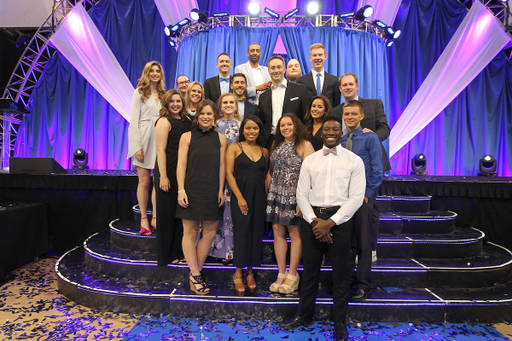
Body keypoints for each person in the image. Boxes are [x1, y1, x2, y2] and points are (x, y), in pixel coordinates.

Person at [280, 116, 365, 341]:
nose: (330, 132)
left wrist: (331, 222)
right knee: (309, 273)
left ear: (341, 131)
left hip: (341, 221)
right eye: (326, 129)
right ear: (321, 132)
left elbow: (356, 198)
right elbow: (301, 194)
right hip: (313, 221)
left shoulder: (354, 161)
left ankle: (340, 323)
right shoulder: (311, 160)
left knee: (341, 275)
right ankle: (304, 316)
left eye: (334, 129)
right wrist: (315, 221)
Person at [333, 72, 391, 261]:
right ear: (340, 89)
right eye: (344, 85)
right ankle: (350, 249)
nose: (348, 87)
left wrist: (370, 136)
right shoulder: (335, 110)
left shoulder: (374, 104)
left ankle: (370, 249)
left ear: (357, 86)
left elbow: (385, 128)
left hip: (368, 166)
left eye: (351, 84)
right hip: (343, 170)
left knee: (369, 210)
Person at [176, 100, 228, 295]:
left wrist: (220, 190)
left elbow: (222, 165)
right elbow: (181, 165)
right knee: (189, 232)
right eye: (202, 114)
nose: (206, 117)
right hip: (191, 189)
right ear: (197, 116)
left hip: (212, 190)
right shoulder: (186, 137)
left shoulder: (221, 139)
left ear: (215, 118)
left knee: (209, 233)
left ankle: (193, 272)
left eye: (210, 114)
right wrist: (181, 190)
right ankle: (196, 275)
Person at [266, 114, 315, 294]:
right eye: (282, 125)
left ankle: (293, 275)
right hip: (276, 194)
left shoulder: (305, 145)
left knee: (295, 235)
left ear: (297, 126)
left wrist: (303, 201)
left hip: (295, 196)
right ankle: (281, 273)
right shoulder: (276, 144)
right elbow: (271, 170)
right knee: (278, 233)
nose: (285, 127)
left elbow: (310, 174)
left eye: (289, 124)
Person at [340, 100, 383, 300]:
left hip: (363, 198)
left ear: (361, 116)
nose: (349, 117)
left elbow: (377, 169)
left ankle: (363, 284)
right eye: (346, 114)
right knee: (347, 242)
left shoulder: (370, 138)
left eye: (353, 114)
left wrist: (366, 193)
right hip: (344, 199)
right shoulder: (341, 140)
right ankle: (347, 281)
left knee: (364, 244)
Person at [226, 115, 269, 296]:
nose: (252, 131)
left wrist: (267, 198)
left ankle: (250, 273)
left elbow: (265, 176)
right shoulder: (234, 147)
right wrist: (240, 198)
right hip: (240, 195)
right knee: (242, 233)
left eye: (255, 128)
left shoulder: (264, 151)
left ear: (259, 131)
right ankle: (238, 273)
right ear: (242, 130)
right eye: (248, 128)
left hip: (259, 196)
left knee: (255, 234)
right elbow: (229, 173)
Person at [154, 89, 192, 266]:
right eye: (172, 101)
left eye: (179, 101)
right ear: (166, 103)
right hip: (167, 169)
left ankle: (179, 251)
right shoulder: (163, 121)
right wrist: (163, 176)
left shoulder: (187, 120)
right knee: (167, 214)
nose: (176, 104)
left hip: (182, 171)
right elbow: (160, 150)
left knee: (180, 214)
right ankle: (166, 255)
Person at [127, 61, 165, 235]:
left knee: (158, 181)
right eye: (152, 71)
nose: (155, 74)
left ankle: (156, 217)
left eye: (158, 71)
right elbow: (133, 121)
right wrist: (137, 147)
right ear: (147, 73)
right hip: (143, 139)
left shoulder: (164, 94)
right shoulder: (139, 92)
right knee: (144, 182)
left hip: (160, 139)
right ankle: (144, 219)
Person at [209, 93, 242, 264]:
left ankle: (229, 251)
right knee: (216, 212)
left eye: (231, 102)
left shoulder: (241, 125)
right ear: (220, 106)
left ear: (236, 105)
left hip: (235, 175)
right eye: (225, 102)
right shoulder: (214, 125)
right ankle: (212, 249)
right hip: (215, 173)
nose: (228, 105)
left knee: (230, 214)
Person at [259, 55, 311, 150]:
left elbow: (307, 118)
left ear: (284, 69)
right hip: (270, 141)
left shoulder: (300, 90)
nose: (276, 70)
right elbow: (263, 123)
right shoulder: (263, 96)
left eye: (279, 67)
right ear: (269, 71)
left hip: (294, 140)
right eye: (272, 68)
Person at [296, 43, 341, 108]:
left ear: (325, 57)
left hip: (328, 117)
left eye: (320, 55)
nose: (317, 58)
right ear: (310, 58)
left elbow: (336, 105)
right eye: (314, 55)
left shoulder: (335, 80)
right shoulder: (300, 80)